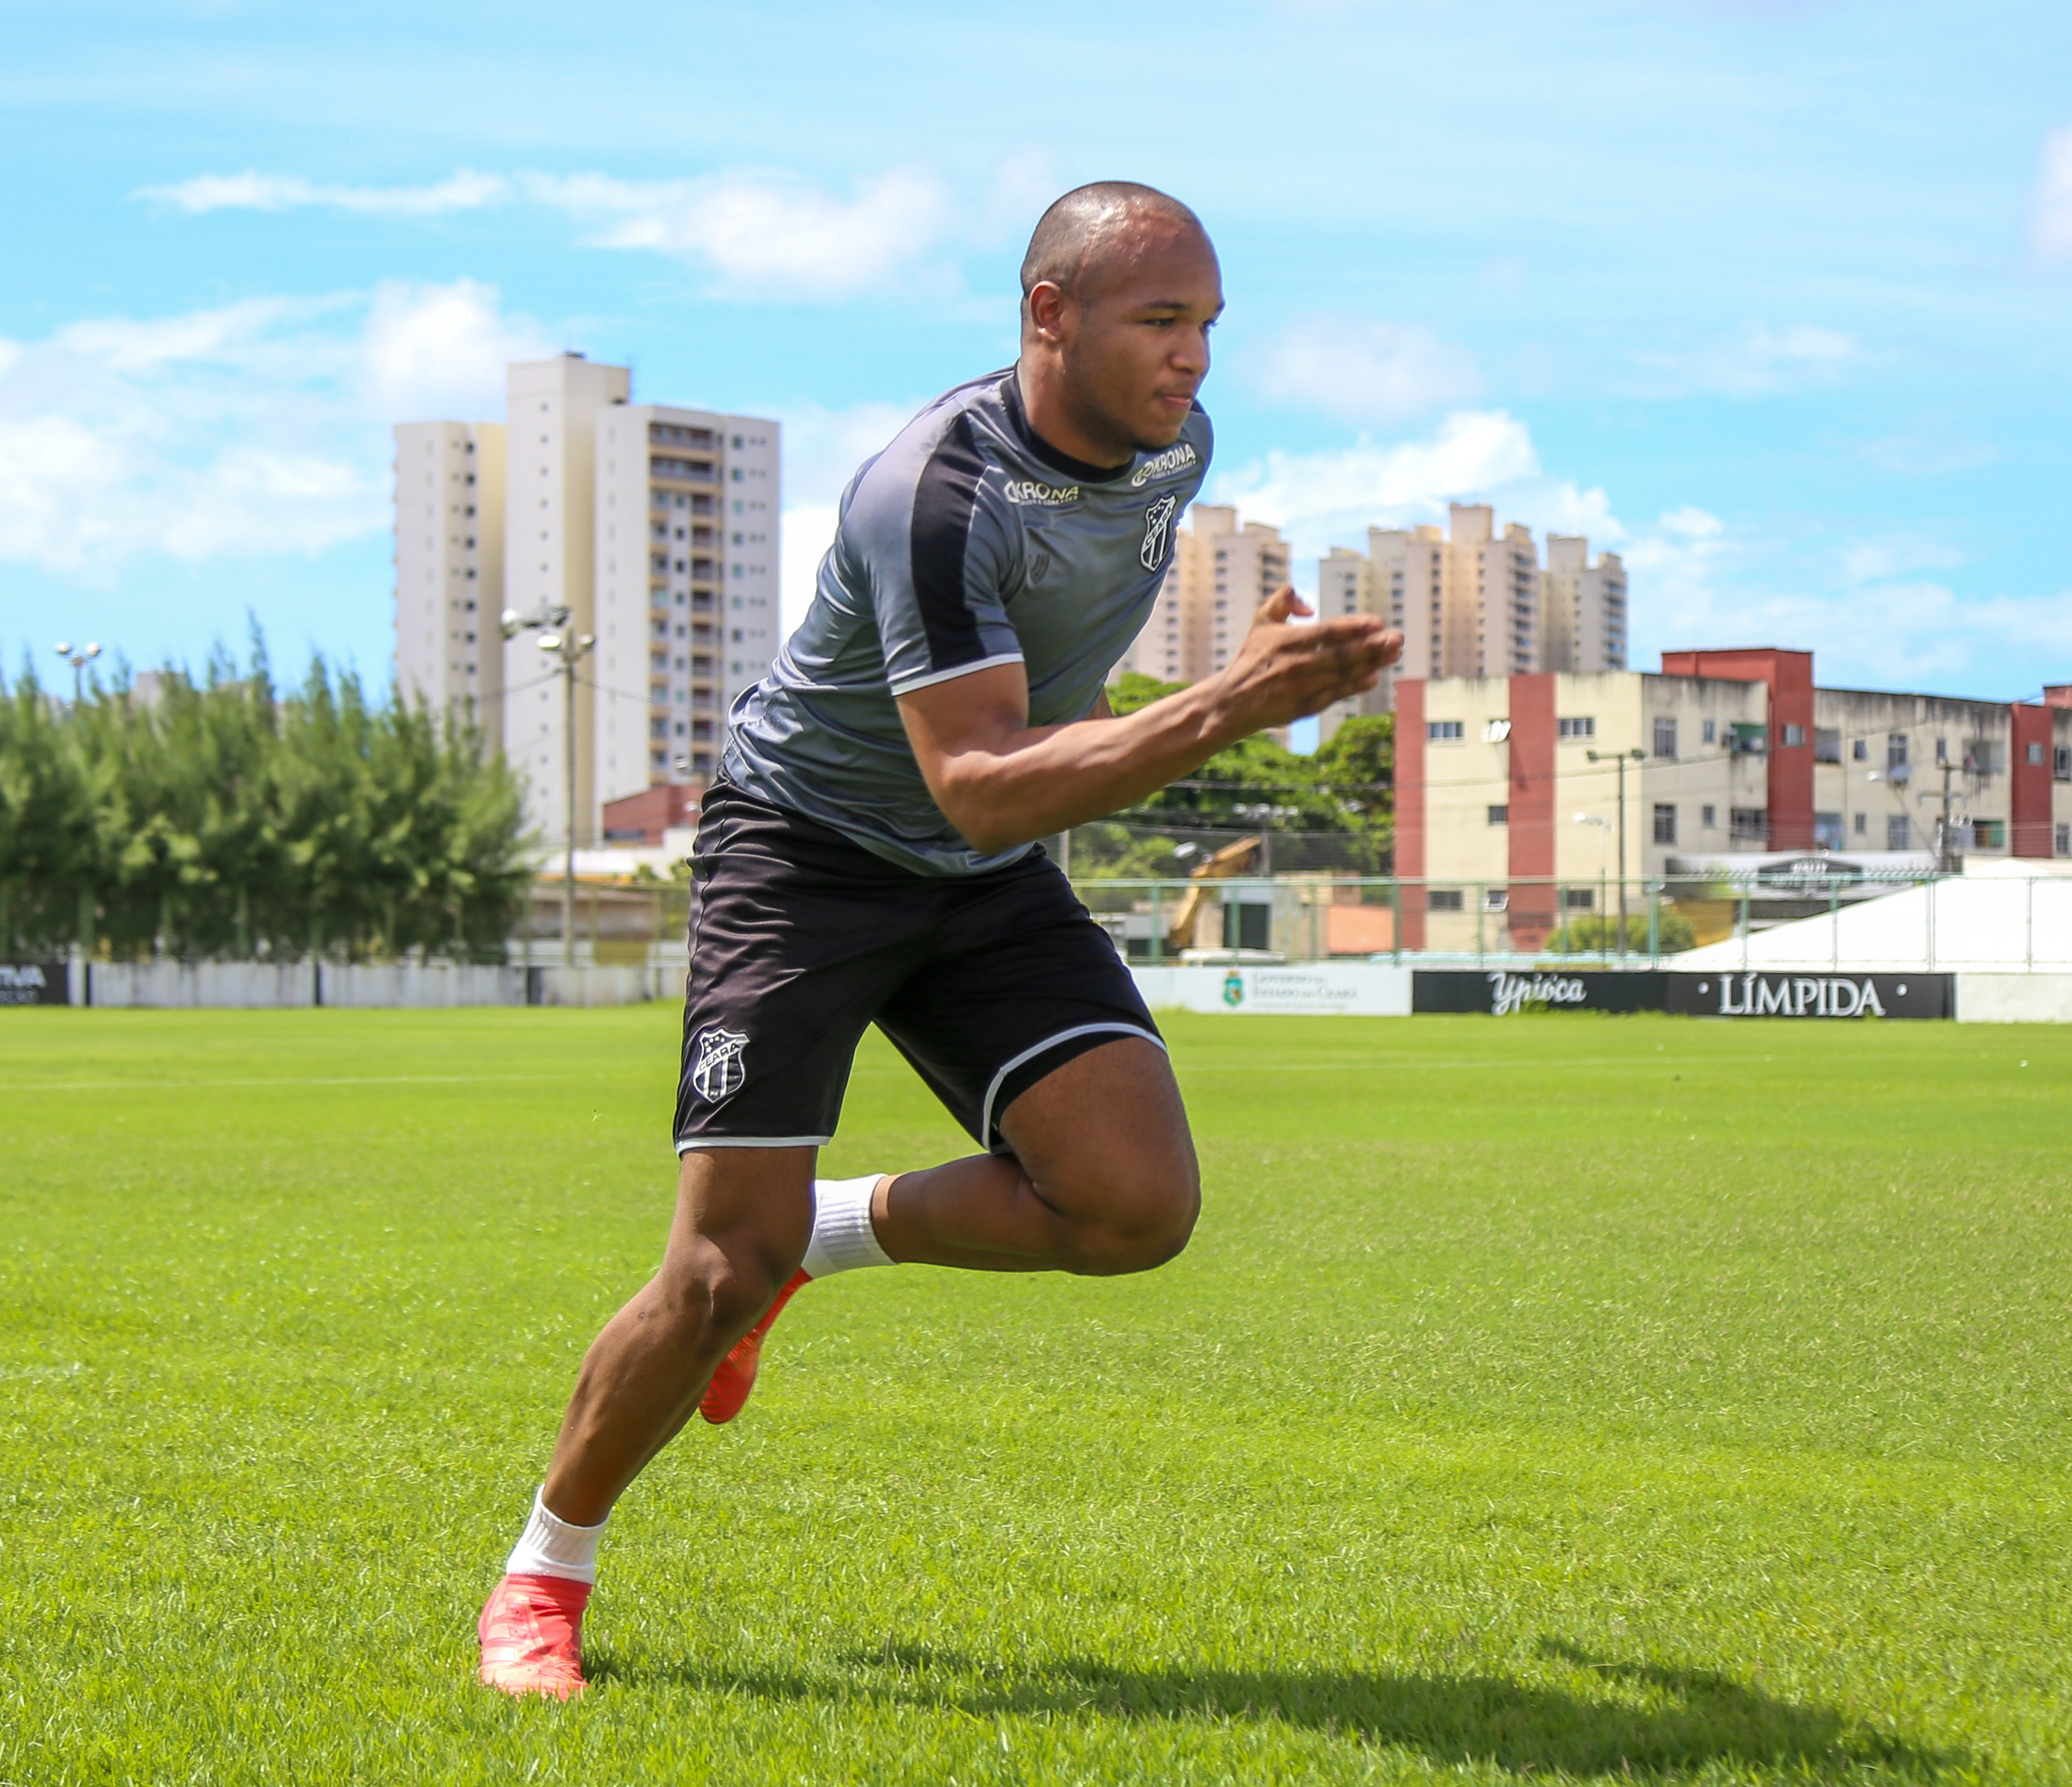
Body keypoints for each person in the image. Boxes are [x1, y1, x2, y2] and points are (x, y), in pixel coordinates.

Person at [476, 181, 1403, 1699]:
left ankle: (817, 1242)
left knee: (1131, 1206)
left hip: (980, 871)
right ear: (1050, 314)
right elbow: (968, 785)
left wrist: (1219, 674)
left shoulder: (1177, 450)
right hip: (809, 857)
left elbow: (1017, 748)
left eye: (1211, 327)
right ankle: (541, 1580)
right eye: (1163, 322)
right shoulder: (930, 495)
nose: (1197, 364)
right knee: (713, 1268)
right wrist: (1229, 706)